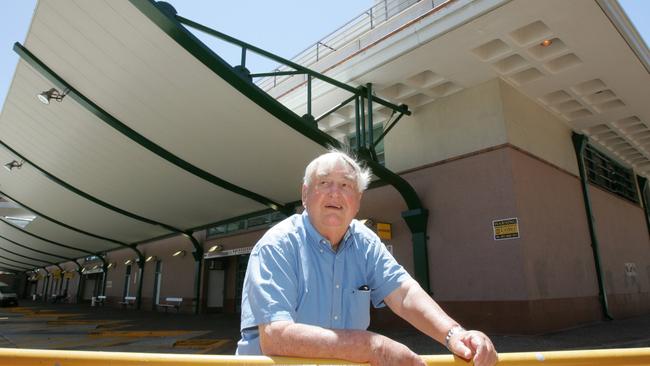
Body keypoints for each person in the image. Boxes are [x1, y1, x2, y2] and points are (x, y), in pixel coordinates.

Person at [236, 149, 498, 366]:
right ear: (305, 194)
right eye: (324, 182)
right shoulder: (277, 244)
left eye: (346, 185)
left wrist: (454, 334)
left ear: (358, 200)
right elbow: (275, 337)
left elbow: (404, 294)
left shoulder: (365, 241)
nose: (334, 193)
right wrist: (374, 347)